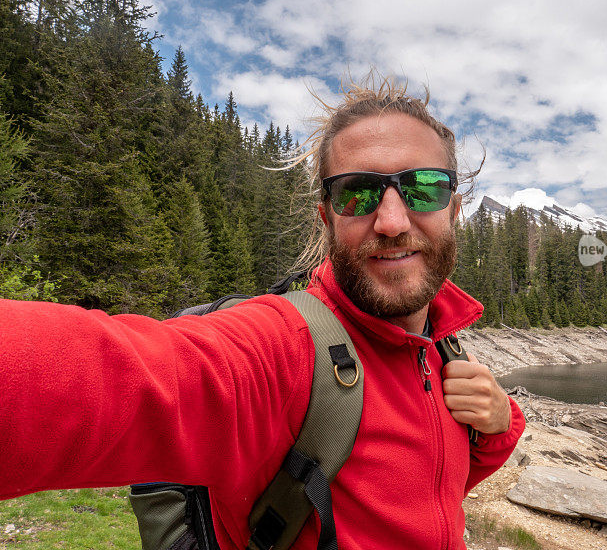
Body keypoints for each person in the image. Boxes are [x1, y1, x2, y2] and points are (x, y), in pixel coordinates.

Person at [0, 74, 525, 550]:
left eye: (422, 188)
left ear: (454, 209)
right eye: (357, 194)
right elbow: (115, 375)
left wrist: (500, 424)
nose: (390, 219)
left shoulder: (443, 348)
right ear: (327, 219)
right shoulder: (286, 349)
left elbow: (434, 486)